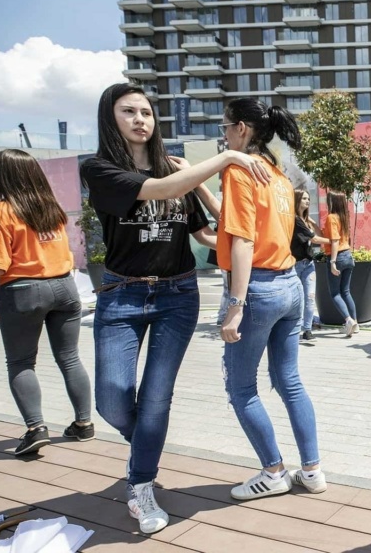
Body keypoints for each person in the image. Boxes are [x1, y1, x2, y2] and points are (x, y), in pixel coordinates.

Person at [81, 82, 268, 534]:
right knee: (111, 397)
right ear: (111, 118)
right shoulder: (100, 168)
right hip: (122, 295)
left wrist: (220, 207)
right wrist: (223, 158)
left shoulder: (176, 169)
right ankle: (147, 443)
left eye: (146, 112)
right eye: (129, 112)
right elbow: (158, 188)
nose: (141, 119)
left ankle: (140, 484)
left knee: (157, 398)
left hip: (177, 297)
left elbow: (206, 233)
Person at [217, 97, 326, 500]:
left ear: (242, 128)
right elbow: (245, 228)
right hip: (289, 285)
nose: (225, 135)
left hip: (259, 289)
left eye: (226, 127)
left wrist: (235, 306)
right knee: (290, 382)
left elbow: (244, 239)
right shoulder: (278, 177)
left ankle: (273, 471)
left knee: (242, 389)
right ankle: (312, 470)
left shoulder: (240, 170)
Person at [0, 149, 94, 456]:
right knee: (70, 358)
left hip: (23, 290)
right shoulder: (52, 208)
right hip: (65, 288)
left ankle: (36, 429)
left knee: (21, 362)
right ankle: (83, 423)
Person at [292, 189, 331, 341]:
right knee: (296, 299)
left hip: (308, 264)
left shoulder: (305, 220)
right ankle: (294, 328)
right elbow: (315, 240)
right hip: (294, 264)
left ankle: (307, 330)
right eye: (304, 199)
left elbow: (319, 234)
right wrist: (334, 242)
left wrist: (312, 222)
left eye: (308, 199)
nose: (307, 201)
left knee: (309, 297)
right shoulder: (295, 219)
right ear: (296, 200)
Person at [323, 190, 359, 336]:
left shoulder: (331, 217)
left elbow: (335, 241)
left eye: (328, 200)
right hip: (348, 256)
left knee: (335, 293)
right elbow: (330, 238)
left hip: (337, 257)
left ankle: (348, 320)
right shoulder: (343, 217)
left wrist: (332, 262)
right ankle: (355, 323)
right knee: (346, 291)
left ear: (332, 202)